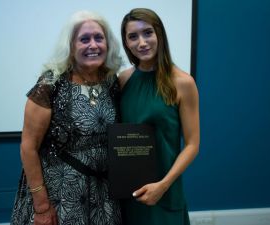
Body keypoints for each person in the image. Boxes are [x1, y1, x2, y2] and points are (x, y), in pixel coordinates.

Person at [10, 10, 123, 225]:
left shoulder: (111, 81)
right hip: (60, 194)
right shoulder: (50, 84)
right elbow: (28, 147)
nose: (93, 45)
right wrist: (42, 206)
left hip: (104, 194)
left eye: (99, 38)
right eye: (84, 39)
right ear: (71, 46)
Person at [118, 8, 200, 225]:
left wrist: (163, 185)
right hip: (129, 193)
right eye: (133, 36)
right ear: (126, 43)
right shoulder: (123, 80)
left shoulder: (183, 83)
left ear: (159, 35)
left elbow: (192, 145)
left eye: (148, 33)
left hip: (164, 192)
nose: (141, 42)